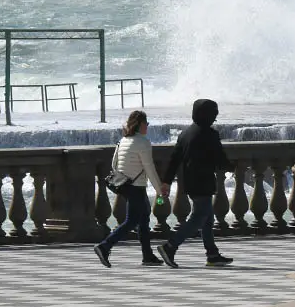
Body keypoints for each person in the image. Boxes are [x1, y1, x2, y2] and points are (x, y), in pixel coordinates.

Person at [157, 99, 234, 268]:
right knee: (199, 217)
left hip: (189, 182)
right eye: (214, 114)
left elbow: (174, 160)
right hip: (203, 182)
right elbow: (220, 159)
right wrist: (231, 167)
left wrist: (166, 181)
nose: (215, 118)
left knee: (207, 217)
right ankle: (170, 246)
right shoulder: (210, 134)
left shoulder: (185, 134)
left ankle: (212, 254)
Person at [94, 110, 164, 267]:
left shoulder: (123, 140)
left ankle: (147, 255)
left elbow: (114, 164)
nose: (147, 126)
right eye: (146, 123)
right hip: (136, 186)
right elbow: (150, 168)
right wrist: (160, 190)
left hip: (125, 185)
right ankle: (105, 246)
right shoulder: (143, 142)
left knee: (144, 217)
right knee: (132, 221)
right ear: (140, 124)